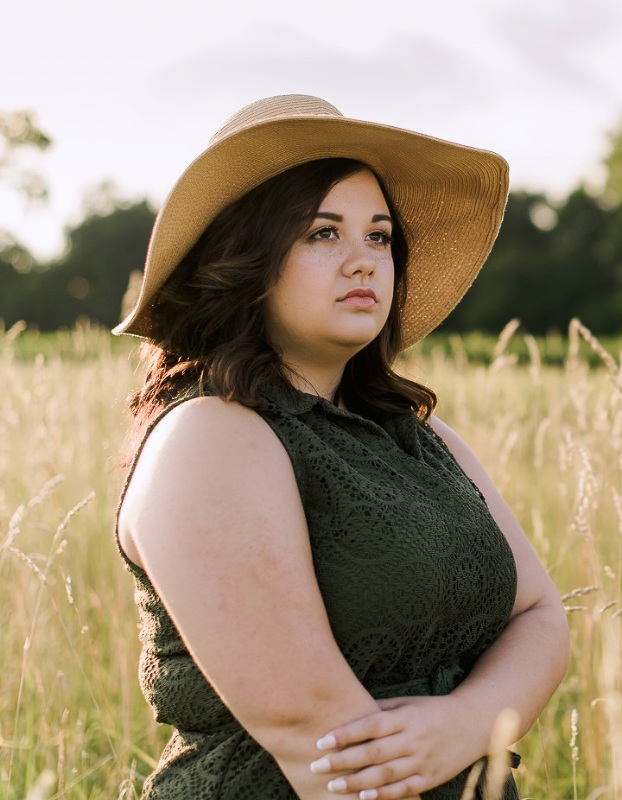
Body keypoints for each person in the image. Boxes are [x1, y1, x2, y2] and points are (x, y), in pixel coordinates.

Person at [113, 95, 570, 800]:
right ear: (248, 258)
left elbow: (541, 615)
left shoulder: (418, 436)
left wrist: (471, 721)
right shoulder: (212, 437)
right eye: (323, 234)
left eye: (380, 237)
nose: (363, 261)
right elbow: (328, 751)